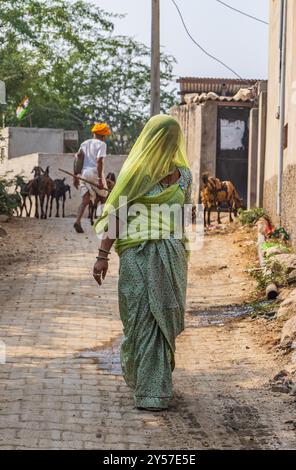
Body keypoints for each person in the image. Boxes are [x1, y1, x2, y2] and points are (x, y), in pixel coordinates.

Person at [92, 115, 192, 411]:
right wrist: (102, 255)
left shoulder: (185, 175)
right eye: (165, 138)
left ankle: (156, 388)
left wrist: (182, 249)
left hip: (171, 257)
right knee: (140, 318)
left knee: (163, 319)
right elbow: (116, 214)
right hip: (137, 255)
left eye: (173, 138)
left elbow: (183, 219)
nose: (169, 144)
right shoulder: (136, 172)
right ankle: (150, 384)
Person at [73, 122, 111, 233]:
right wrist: (100, 180)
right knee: (105, 197)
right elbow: (99, 161)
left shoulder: (84, 143)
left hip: (83, 174)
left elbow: (77, 159)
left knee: (85, 200)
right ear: (103, 136)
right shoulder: (102, 145)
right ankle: (105, 224)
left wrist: (75, 176)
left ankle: (78, 221)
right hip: (94, 173)